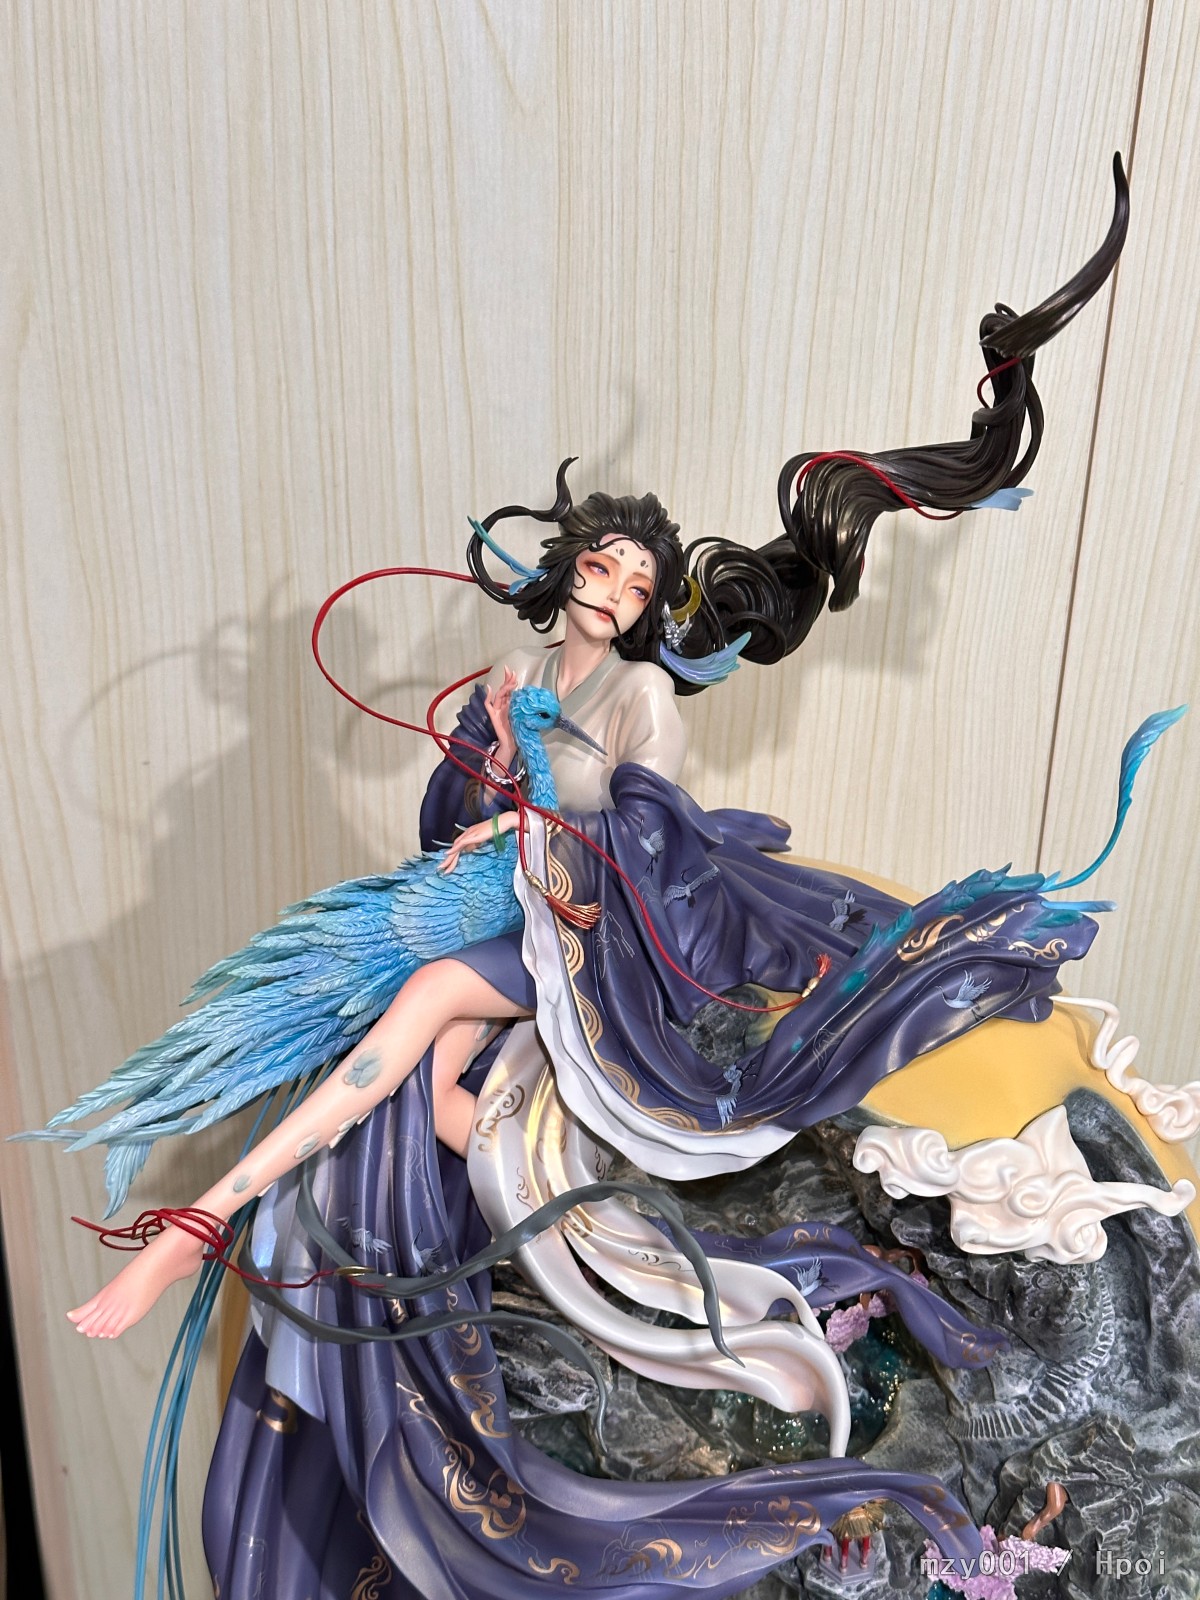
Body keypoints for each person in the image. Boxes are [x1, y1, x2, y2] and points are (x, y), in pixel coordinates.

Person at [53, 165, 1129, 1596]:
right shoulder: (510, 669)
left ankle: (188, 1241)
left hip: (566, 937)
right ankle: (421, 1201)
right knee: (375, 1062)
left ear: (648, 603)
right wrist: (477, 781)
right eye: (602, 568)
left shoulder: (640, 699)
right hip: (475, 895)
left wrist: (540, 797)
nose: (612, 593)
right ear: (567, 568)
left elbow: (638, 834)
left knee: (413, 1023)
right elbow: (467, 797)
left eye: (635, 583)